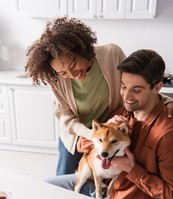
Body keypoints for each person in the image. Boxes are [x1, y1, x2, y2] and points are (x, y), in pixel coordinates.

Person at [25, 17, 173, 176]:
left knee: (105, 178)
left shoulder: (111, 54)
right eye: (63, 73)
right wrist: (90, 136)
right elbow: (65, 116)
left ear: (82, 51)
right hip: (78, 135)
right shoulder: (56, 80)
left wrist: (166, 100)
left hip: (110, 134)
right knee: (64, 178)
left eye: (73, 66)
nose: (72, 75)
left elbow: (135, 81)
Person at [46, 49, 173, 199]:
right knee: (46, 189)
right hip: (102, 187)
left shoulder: (166, 135)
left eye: (136, 90)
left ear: (157, 87)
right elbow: (85, 143)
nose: (126, 96)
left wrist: (132, 170)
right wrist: (99, 138)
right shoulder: (122, 113)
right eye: (123, 86)